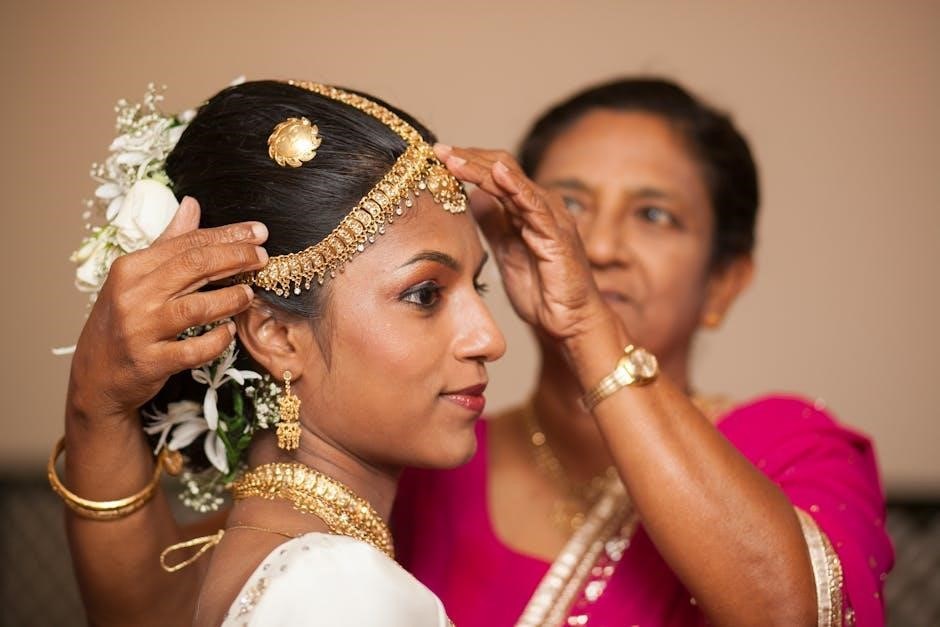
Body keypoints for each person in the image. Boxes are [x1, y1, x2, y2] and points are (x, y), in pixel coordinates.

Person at [56, 78, 892, 627]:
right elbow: (161, 611)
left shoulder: (791, 448)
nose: (598, 244)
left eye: (653, 215)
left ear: (725, 281)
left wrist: (585, 324)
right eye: (569, 203)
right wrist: (96, 405)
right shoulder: (421, 455)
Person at [54, 78, 508, 626]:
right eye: (425, 295)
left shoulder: (235, 561)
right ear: (276, 336)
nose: (490, 339)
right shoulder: (341, 590)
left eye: (478, 287)